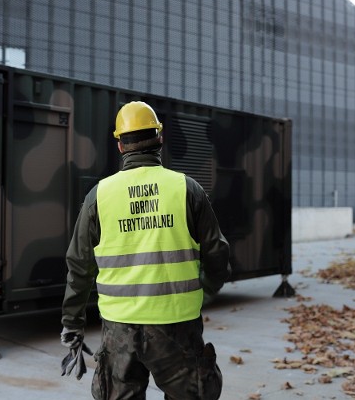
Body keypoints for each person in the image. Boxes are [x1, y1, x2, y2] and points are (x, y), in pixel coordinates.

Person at [61, 101, 231, 399]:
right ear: (160, 140)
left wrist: (72, 324)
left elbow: (79, 267)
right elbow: (217, 253)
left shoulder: (98, 197)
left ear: (120, 146)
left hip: (119, 329)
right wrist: (204, 292)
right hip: (178, 326)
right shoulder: (187, 189)